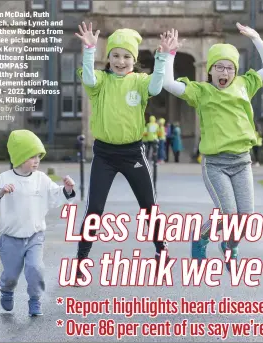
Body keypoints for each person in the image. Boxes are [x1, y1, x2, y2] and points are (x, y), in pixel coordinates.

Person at [161, 24, 263, 271]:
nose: (224, 72)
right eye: (219, 67)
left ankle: (228, 245)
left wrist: (257, 37)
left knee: (244, 219)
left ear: (235, 72)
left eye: (229, 68)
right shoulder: (201, 92)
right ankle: (202, 236)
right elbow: (169, 84)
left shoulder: (245, 85)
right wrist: (168, 54)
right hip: (215, 164)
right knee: (229, 214)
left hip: (242, 161)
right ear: (210, 70)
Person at [74, 22, 171, 282]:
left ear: (134, 59)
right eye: (115, 55)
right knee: (94, 209)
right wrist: (89, 49)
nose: (120, 61)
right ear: (108, 58)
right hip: (104, 154)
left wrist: (161, 58)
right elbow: (89, 77)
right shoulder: (101, 81)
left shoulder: (140, 81)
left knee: (148, 206)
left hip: (132, 154)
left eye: (126, 56)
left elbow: (156, 88)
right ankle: (81, 262)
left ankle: (162, 250)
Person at [0, 130, 76, 316]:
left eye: (39, 156)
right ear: (20, 157)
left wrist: (67, 189)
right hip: (10, 238)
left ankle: (35, 300)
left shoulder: (41, 179)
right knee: (10, 275)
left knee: (35, 269)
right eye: (32, 156)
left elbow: (55, 195)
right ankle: (7, 290)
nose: (36, 160)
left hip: (35, 236)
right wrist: (0, 192)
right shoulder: (4, 178)